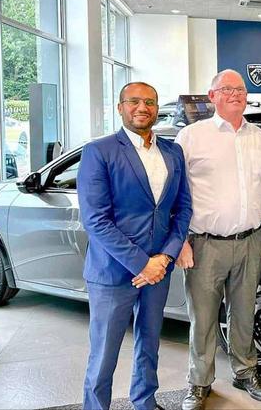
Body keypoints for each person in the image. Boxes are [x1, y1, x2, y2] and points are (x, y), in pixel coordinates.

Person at [79, 81, 192, 410]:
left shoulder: (173, 152)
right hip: (113, 272)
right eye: (134, 101)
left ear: (157, 109)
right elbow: (96, 220)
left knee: (149, 344)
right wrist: (143, 264)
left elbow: (183, 209)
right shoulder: (99, 151)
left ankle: (145, 401)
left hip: (158, 270)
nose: (142, 107)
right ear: (120, 108)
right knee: (104, 354)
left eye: (150, 102)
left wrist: (165, 257)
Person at [174, 69, 261, 410]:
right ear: (212, 96)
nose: (235, 94)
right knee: (203, 318)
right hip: (204, 244)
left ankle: (245, 371)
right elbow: (175, 192)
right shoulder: (191, 137)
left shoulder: (259, 138)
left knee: (245, 313)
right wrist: (180, 241)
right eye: (227, 89)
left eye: (241, 89)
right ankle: (199, 382)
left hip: (251, 240)